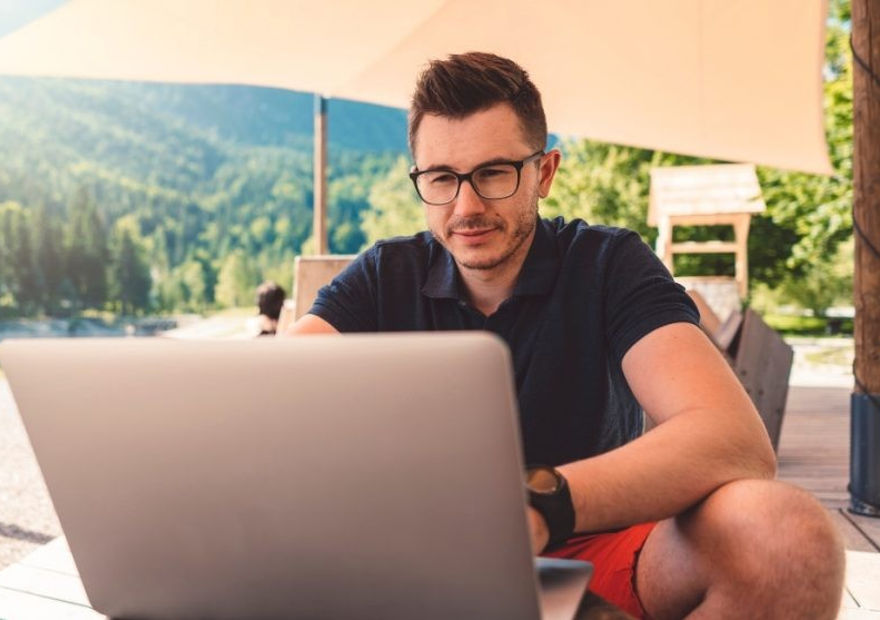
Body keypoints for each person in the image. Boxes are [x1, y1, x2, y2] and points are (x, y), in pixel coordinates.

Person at [286, 52, 844, 618]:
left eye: (494, 173)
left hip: (596, 545)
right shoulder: (385, 275)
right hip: (414, 555)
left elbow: (735, 441)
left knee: (786, 538)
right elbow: (268, 404)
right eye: (441, 178)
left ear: (544, 173)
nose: (467, 205)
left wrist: (537, 505)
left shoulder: (608, 264)